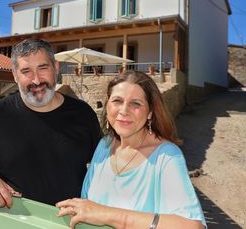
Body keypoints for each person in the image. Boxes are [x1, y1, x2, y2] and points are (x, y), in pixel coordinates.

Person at [0, 38, 101, 209]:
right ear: (15, 75)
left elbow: (103, 166)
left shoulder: (83, 114)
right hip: (16, 221)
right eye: (26, 71)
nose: (36, 80)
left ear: (56, 68)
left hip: (72, 222)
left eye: (43, 68)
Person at [56, 71, 206, 229]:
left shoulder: (166, 156)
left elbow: (193, 226)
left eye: (136, 103)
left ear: (150, 112)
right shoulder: (104, 145)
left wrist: (109, 215)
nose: (124, 110)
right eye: (117, 101)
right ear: (107, 107)